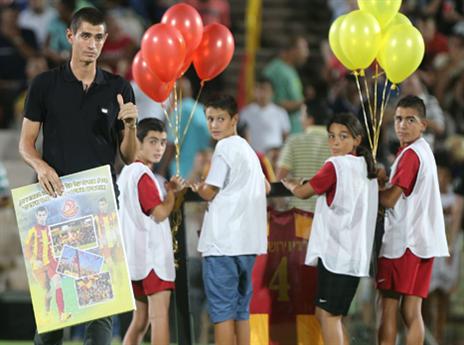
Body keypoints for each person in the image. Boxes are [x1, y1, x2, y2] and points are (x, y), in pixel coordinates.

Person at [18, 7, 138, 345]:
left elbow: (128, 156)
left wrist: (129, 127)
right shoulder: (45, 84)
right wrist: (42, 167)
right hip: (54, 207)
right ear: (70, 36)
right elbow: (26, 144)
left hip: (99, 208)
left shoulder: (118, 87)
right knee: (54, 315)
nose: (93, 43)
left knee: (99, 312)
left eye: (99, 37)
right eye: (86, 35)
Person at [282, 113, 378, 345]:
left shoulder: (336, 164)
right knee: (327, 315)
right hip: (354, 257)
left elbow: (304, 192)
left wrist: (291, 184)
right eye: (332, 136)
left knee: (328, 316)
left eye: (342, 137)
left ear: (357, 140)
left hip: (337, 255)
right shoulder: (366, 167)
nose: (335, 142)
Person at [190, 94, 269, 345]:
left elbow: (210, 190)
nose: (214, 124)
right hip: (249, 244)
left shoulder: (223, 148)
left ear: (234, 119)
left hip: (223, 244)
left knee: (223, 313)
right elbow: (266, 187)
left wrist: (197, 187)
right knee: (241, 311)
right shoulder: (249, 151)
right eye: (210, 119)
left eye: (220, 119)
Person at [376, 95, 449, 345]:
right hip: (423, 243)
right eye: (398, 119)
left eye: (410, 119)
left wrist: (368, 189)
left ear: (423, 124)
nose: (402, 125)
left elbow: (389, 201)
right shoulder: (424, 151)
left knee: (387, 308)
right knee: (412, 312)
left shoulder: (410, 156)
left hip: (403, 243)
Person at [117, 118, 185, 345]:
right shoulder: (143, 175)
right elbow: (159, 213)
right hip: (152, 259)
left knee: (140, 320)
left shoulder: (127, 172)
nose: (159, 148)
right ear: (138, 142)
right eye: (153, 141)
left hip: (134, 258)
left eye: (163, 143)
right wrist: (173, 194)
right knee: (159, 317)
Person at [423, 150, 463, 344]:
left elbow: (455, 225)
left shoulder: (456, 200)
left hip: (446, 252)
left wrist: (451, 248)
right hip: (429, 250)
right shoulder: (428, 197)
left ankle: (439, 336)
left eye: (444, 174)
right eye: (438, 173)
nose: (441, 178)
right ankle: (426, 335)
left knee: (443, 296)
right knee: (426, 297)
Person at [276, 100, 331, 212]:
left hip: (299, 212)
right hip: (327, 213)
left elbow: (281, 177)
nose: (300, 119)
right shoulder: (336, 144)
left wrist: (281, 206)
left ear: (310, 119)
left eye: (302, 115)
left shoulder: (294, 141)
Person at [24, 207, 70, 322]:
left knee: (58, 282)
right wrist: (33, 261)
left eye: (43, 215)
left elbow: (54, 247)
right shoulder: (32, 231)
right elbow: (26, 249)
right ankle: (46, 312)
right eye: (39, 215)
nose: (41, 217)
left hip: (49, 263)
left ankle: (62, 314)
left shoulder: (50, 230)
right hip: (38, 266)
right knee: (47, 292)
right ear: (36, 216)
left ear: (46, 215)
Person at [263, 35, 309, 133]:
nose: (307, 53)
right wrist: (304, 103)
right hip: (282, 136)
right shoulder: (276, 71)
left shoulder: (290, 69)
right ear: (293, 50)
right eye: (304, 48)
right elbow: (273, 104)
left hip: (295, 132)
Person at [239, 76, 290, 153]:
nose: (262, 93)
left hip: (274, 158)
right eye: (259, 89)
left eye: (265, 89)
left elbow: (286, 137)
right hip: (253, 156)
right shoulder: (245, 112)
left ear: (272, 92)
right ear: (254, 91)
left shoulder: (281, 112)